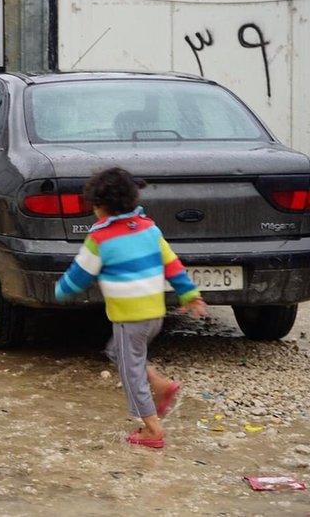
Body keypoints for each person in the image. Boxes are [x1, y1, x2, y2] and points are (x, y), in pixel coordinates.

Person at [54, 167, 207, 449]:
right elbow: (172, 264)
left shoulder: (100, 238)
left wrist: (61, 290)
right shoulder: (149, 228)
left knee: (129, 371)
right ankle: (161, 386)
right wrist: (190, 295)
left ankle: (153, 429)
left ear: (100, 206)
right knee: (120, 353)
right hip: (154, 314)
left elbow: (79, 275)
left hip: (129, 317)